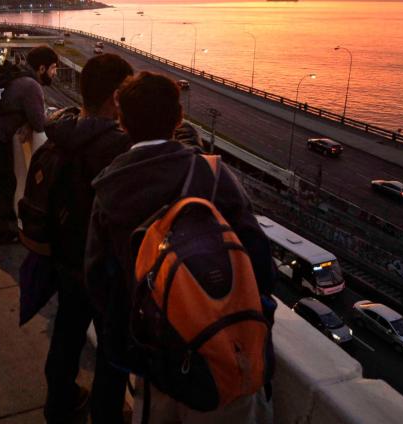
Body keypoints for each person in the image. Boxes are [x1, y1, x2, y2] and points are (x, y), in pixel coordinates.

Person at [86, 72, 275, 423]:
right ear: (178, 118)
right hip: (218, 353)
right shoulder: (213, 175)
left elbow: (98, 277)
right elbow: (260, 264)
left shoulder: (109, 187)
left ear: (122, 121)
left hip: (154, 354)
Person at [41, 53, 133, 423]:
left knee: (67, 330)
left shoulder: (63, 131)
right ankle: (106, 415)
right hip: (105, 269)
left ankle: (58, 402)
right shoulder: (119, 148)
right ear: (116, 97)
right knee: (114, 350)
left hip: (65, 256)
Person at [0, 45, 60, 247]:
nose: (55, 73)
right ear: (41, 68)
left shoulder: (14, 75)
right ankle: (1, 234)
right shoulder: (31, 86)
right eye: (53, 68)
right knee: (5, 187)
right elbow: (40, 123)